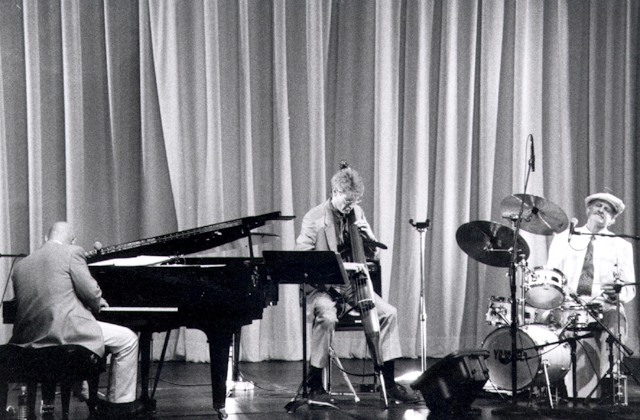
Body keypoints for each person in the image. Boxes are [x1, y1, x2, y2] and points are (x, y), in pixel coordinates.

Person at [295, 164, 418, 403]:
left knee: (389, 313)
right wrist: (330, 269)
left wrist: (370, 239)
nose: (350, 206)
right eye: (347, 201)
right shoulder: (314, 217)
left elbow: (373, 257)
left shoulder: (357, 213)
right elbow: (303, 258)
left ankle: (388, 383)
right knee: (327, 318)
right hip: (323, 287)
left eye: (355, 201)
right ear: (335, 192)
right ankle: (314, 383)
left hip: (352, 285)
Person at [9, 222, 145, 418]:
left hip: (29, 337)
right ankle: (119, 406)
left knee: (77, 332)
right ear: (72, 240)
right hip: (63, 332)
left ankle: (82, 388)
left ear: (46, 238)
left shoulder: (21, 265)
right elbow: (90, 292)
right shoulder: (72, 252)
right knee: (128, 339)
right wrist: (98, 301)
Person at [547, 193, 636, 398]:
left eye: (608, 210)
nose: (601, 210)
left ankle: (606, 380)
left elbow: (629, 288)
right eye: (598, 205)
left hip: (604, 304)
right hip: (569, 303)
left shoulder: (622, 246)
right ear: (588, 210)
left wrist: (617, 294)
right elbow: (551, 277)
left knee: (616, 317)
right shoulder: (564, 239)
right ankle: (559, 383)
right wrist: (561, 294)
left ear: (612, 219)